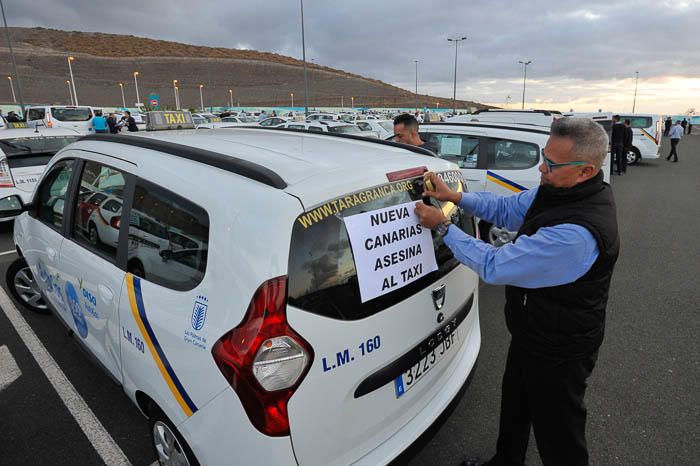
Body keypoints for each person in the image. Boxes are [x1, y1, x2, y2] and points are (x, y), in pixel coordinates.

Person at [415, 117, 619, 466]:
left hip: (560, 346)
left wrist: (444, 227)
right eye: (544, 156)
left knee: (559, 434)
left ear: (585, 171)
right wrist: (456, 197)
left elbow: (495, 265)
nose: (542, 167)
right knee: (516, 406)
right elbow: (506, 209)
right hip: (533, 330)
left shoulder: (576, 234)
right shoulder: (558, 190)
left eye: (551, 164)